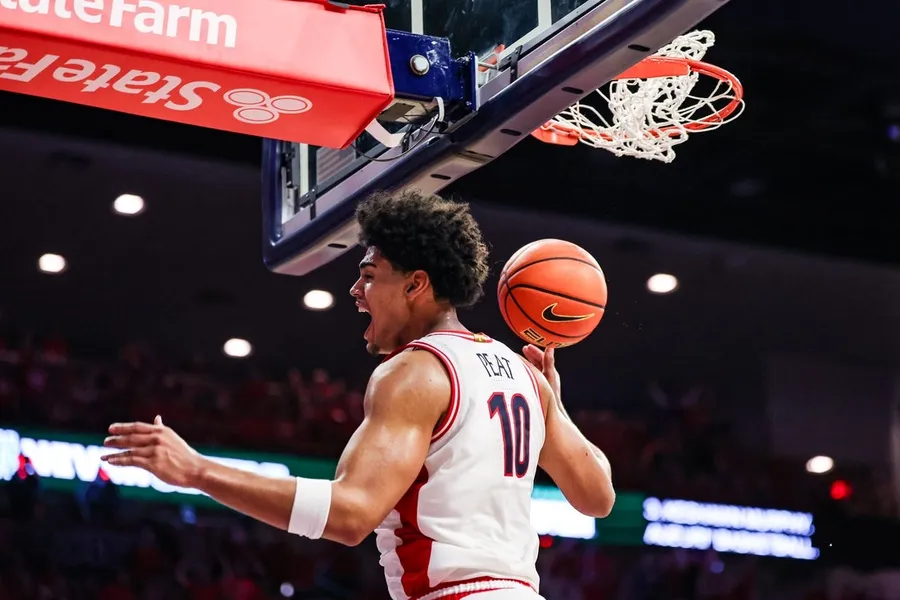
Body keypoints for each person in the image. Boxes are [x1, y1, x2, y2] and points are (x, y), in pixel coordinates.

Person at [102, 190, 616, 600]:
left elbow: (350, 515)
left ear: (415, 285)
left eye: (369, 276)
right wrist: (555, 405)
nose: (355, 290)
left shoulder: (416, 370)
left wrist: (197, 471)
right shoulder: (524, 375)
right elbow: (598, 497)